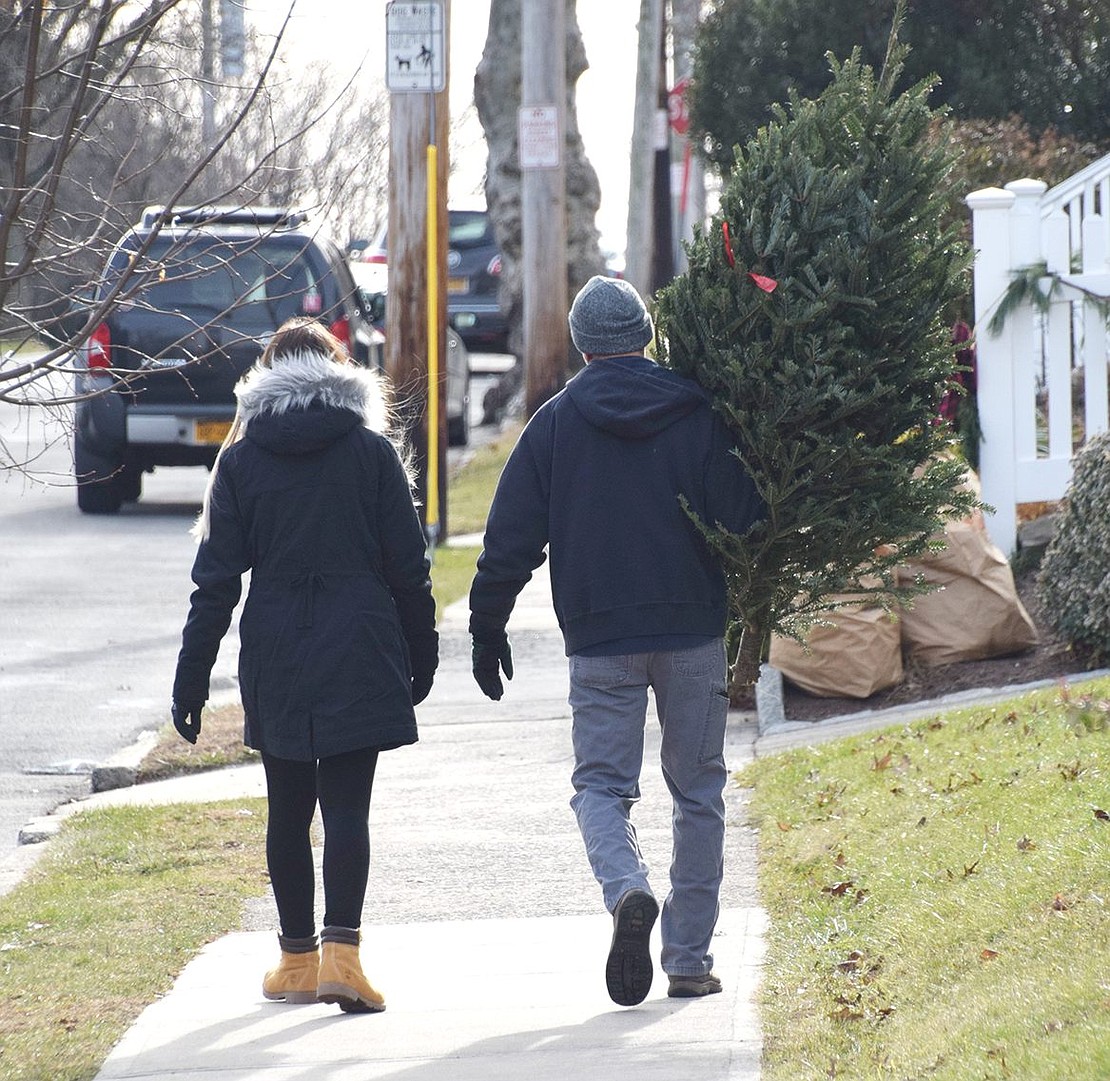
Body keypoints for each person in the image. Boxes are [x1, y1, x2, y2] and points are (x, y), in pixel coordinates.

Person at [468, 276, 764, 1007]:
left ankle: (628, 888)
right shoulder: (696, 411)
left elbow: (508, 539)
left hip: (601, 639)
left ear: (582, 345)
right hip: (693, 630)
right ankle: (689, 958)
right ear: (647, 335)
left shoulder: (556, 423)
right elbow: (744, 516)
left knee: (601, 786)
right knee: (698, 790)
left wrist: (486, 625)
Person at [171, 317, 437, 1014]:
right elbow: (408, 566)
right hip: (361, 641)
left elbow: (216, 581)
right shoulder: (370, 451)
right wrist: (423, 646)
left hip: (277, 646)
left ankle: (295, 959)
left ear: (266, 374)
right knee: (348, 805)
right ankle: (342, 957)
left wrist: (191, 674)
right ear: (336, 367)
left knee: (288, 809)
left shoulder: (243, 458)